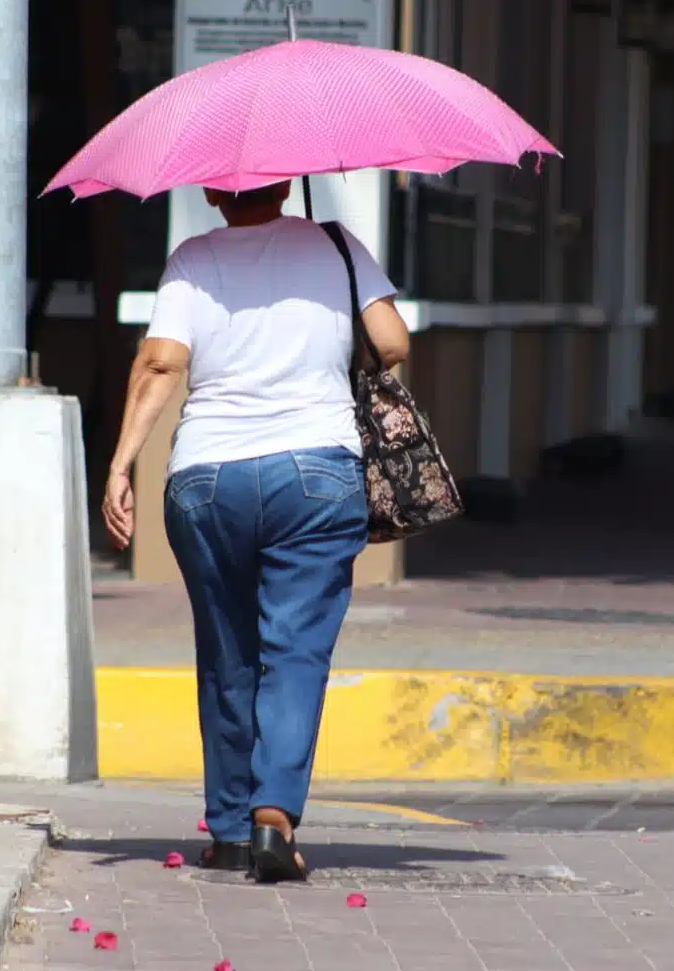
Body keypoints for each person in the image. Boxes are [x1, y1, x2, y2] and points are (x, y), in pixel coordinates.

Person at [101, 179, 410, 883]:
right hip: (317, 470)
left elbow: (160, 361)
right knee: (295, 651)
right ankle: (276, 817)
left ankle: (231, 832)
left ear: (213, 191)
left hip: (209, 475)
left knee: (228, 652)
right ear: (285, 182)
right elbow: (391, 344)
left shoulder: (193, 258)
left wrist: (120, 464)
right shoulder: (337, 245)